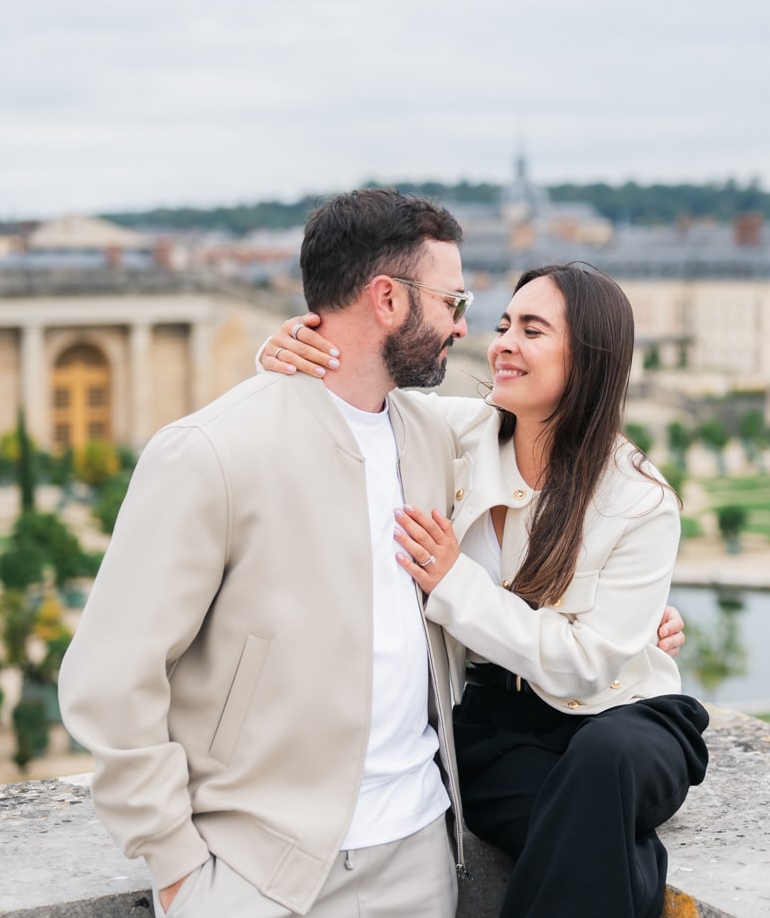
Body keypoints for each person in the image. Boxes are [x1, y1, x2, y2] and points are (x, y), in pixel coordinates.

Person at [59, 188, 475, 918]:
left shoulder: (436, 435)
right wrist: (178, 868)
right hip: (258, 875)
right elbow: (108, 678)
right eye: (453, 302)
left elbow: (561, 435)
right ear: (386, 298)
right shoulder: (210, 452)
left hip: (420, 858)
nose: (461, 327)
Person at [262, 262, 710, 918]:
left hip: (629, 722)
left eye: (531, 330)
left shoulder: (641, 499)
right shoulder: (455, 432)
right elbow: (349, 392)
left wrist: (453, 582)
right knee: (590, 842)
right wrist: (280, 351)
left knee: (602, 761)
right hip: (500, 730)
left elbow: (585, 665)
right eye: (503, 325)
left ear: (587, 357)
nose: (501, 341)